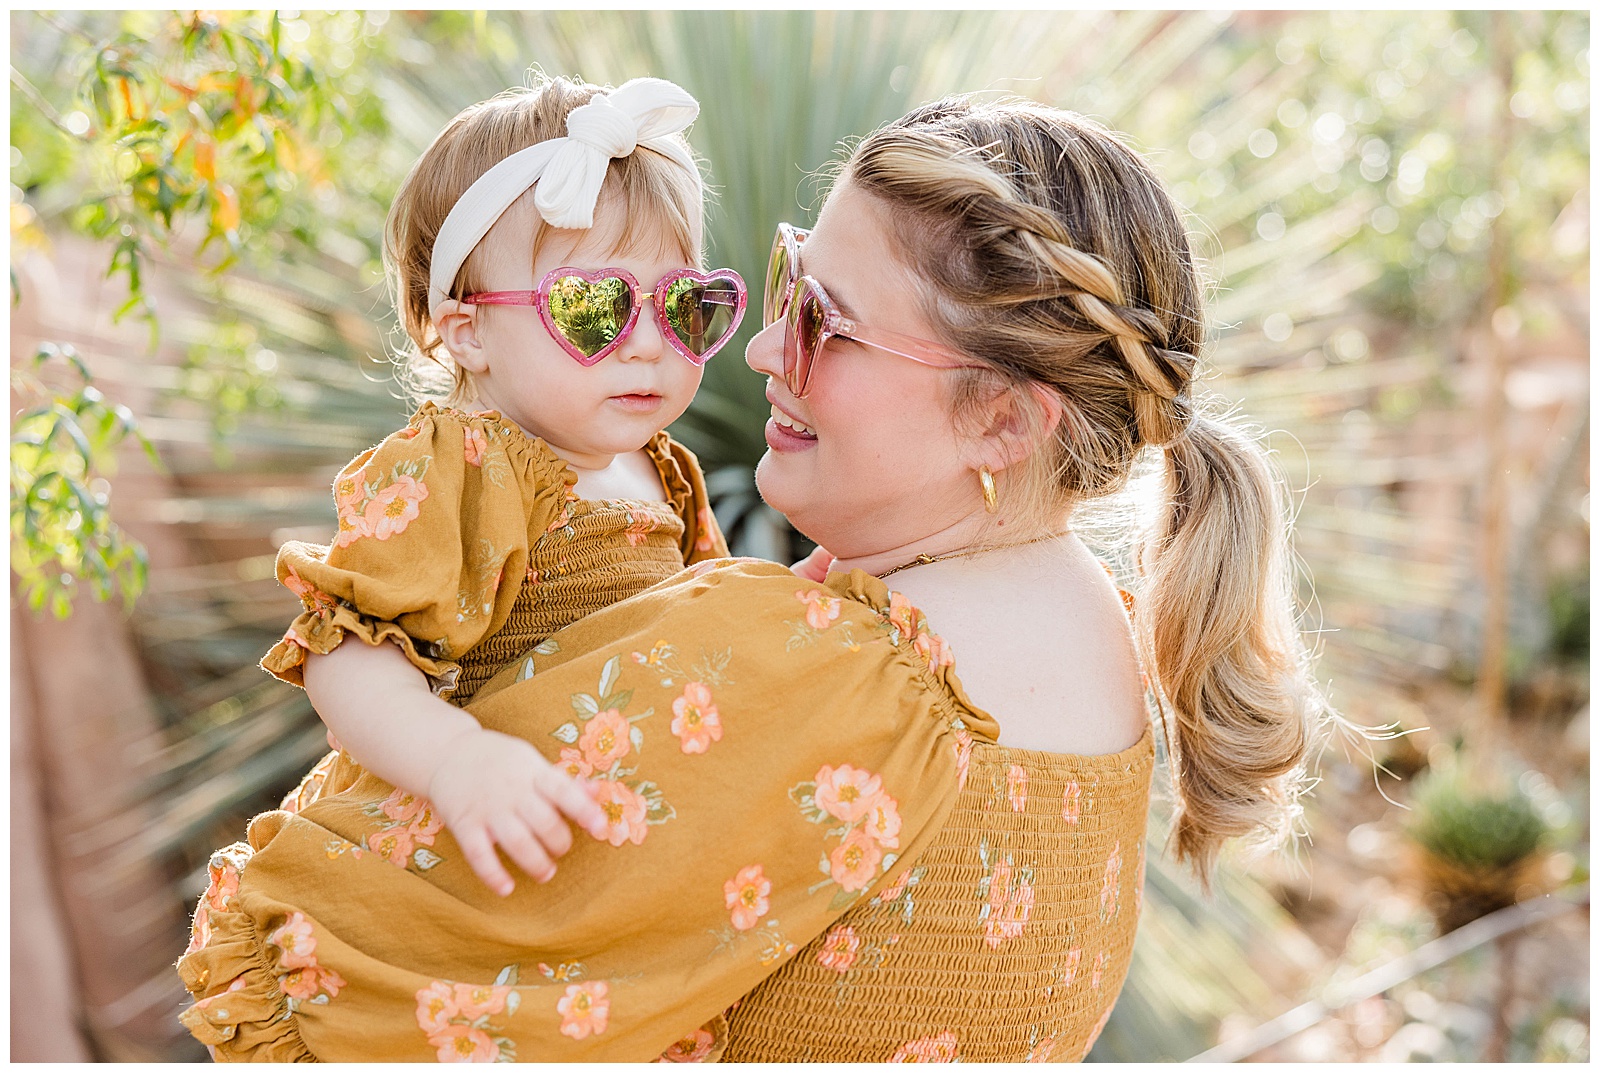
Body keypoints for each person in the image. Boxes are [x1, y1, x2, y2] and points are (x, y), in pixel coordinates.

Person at [176, 95, 1328, 1063]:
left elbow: (349, 944)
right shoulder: (1107, 652)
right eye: (786, 282)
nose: (765, 348)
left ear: (1002, 420)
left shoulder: (823, 666)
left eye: (825, 320)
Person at [252, 73, 747, 898]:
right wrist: (453, 757)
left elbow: (709, 622)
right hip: (476, 857)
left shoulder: (665, 468)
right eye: (595, 308)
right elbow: (347, 651)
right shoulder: (461, 464)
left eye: (682, 305)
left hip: (600, 851)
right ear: (469, 329)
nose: (648, 345)